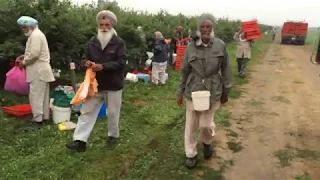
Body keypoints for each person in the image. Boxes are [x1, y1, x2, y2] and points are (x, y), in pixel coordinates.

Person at [177, 13, 233, 169]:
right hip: (193, 90)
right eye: (202, 26)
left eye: (208, 26)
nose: (205, 29)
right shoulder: (191, 47)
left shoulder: (220, 45)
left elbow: (226, 68)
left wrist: (226, 91)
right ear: (199, 28)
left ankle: (207, 142)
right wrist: (180, 92)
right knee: (191, 125)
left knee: (207, 124)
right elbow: (184, 71)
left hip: (213, 89)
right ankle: (191, 154)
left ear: (212, 27)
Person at [66, 10, 126, 152]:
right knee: (86, 111)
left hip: (113, 84)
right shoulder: (92, 42)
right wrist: (86, 63)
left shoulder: (118, 42)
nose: (104, 27)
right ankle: (80, 141)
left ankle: (113, 136)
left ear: (111, 26)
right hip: (94, 84)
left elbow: (122, 62)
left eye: (107, 25)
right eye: (101, 25)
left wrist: (103, 67)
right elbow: (83, 58)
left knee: (112, 113)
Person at [16, 16, 55, 128]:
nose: (23, 29)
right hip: (41, 70)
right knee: (42, 96)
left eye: (24, 27)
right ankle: (44, 118)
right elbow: (36, 52)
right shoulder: (37, 34)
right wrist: (24, 56)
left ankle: (37, 120)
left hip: (38, 71)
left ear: (31, 26)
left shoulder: (36, 35)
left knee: (36, 96)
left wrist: (24, 62)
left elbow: (34, 54)